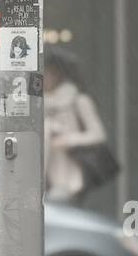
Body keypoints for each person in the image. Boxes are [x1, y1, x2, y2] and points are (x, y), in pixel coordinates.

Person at [42, 51, 108, 205]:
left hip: (68, 177)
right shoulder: (37, 103)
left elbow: (98, 135)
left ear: (60, 75)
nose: (46, 78)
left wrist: (68, 139)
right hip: (41, 177)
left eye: (50, 73)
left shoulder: (78, 100)